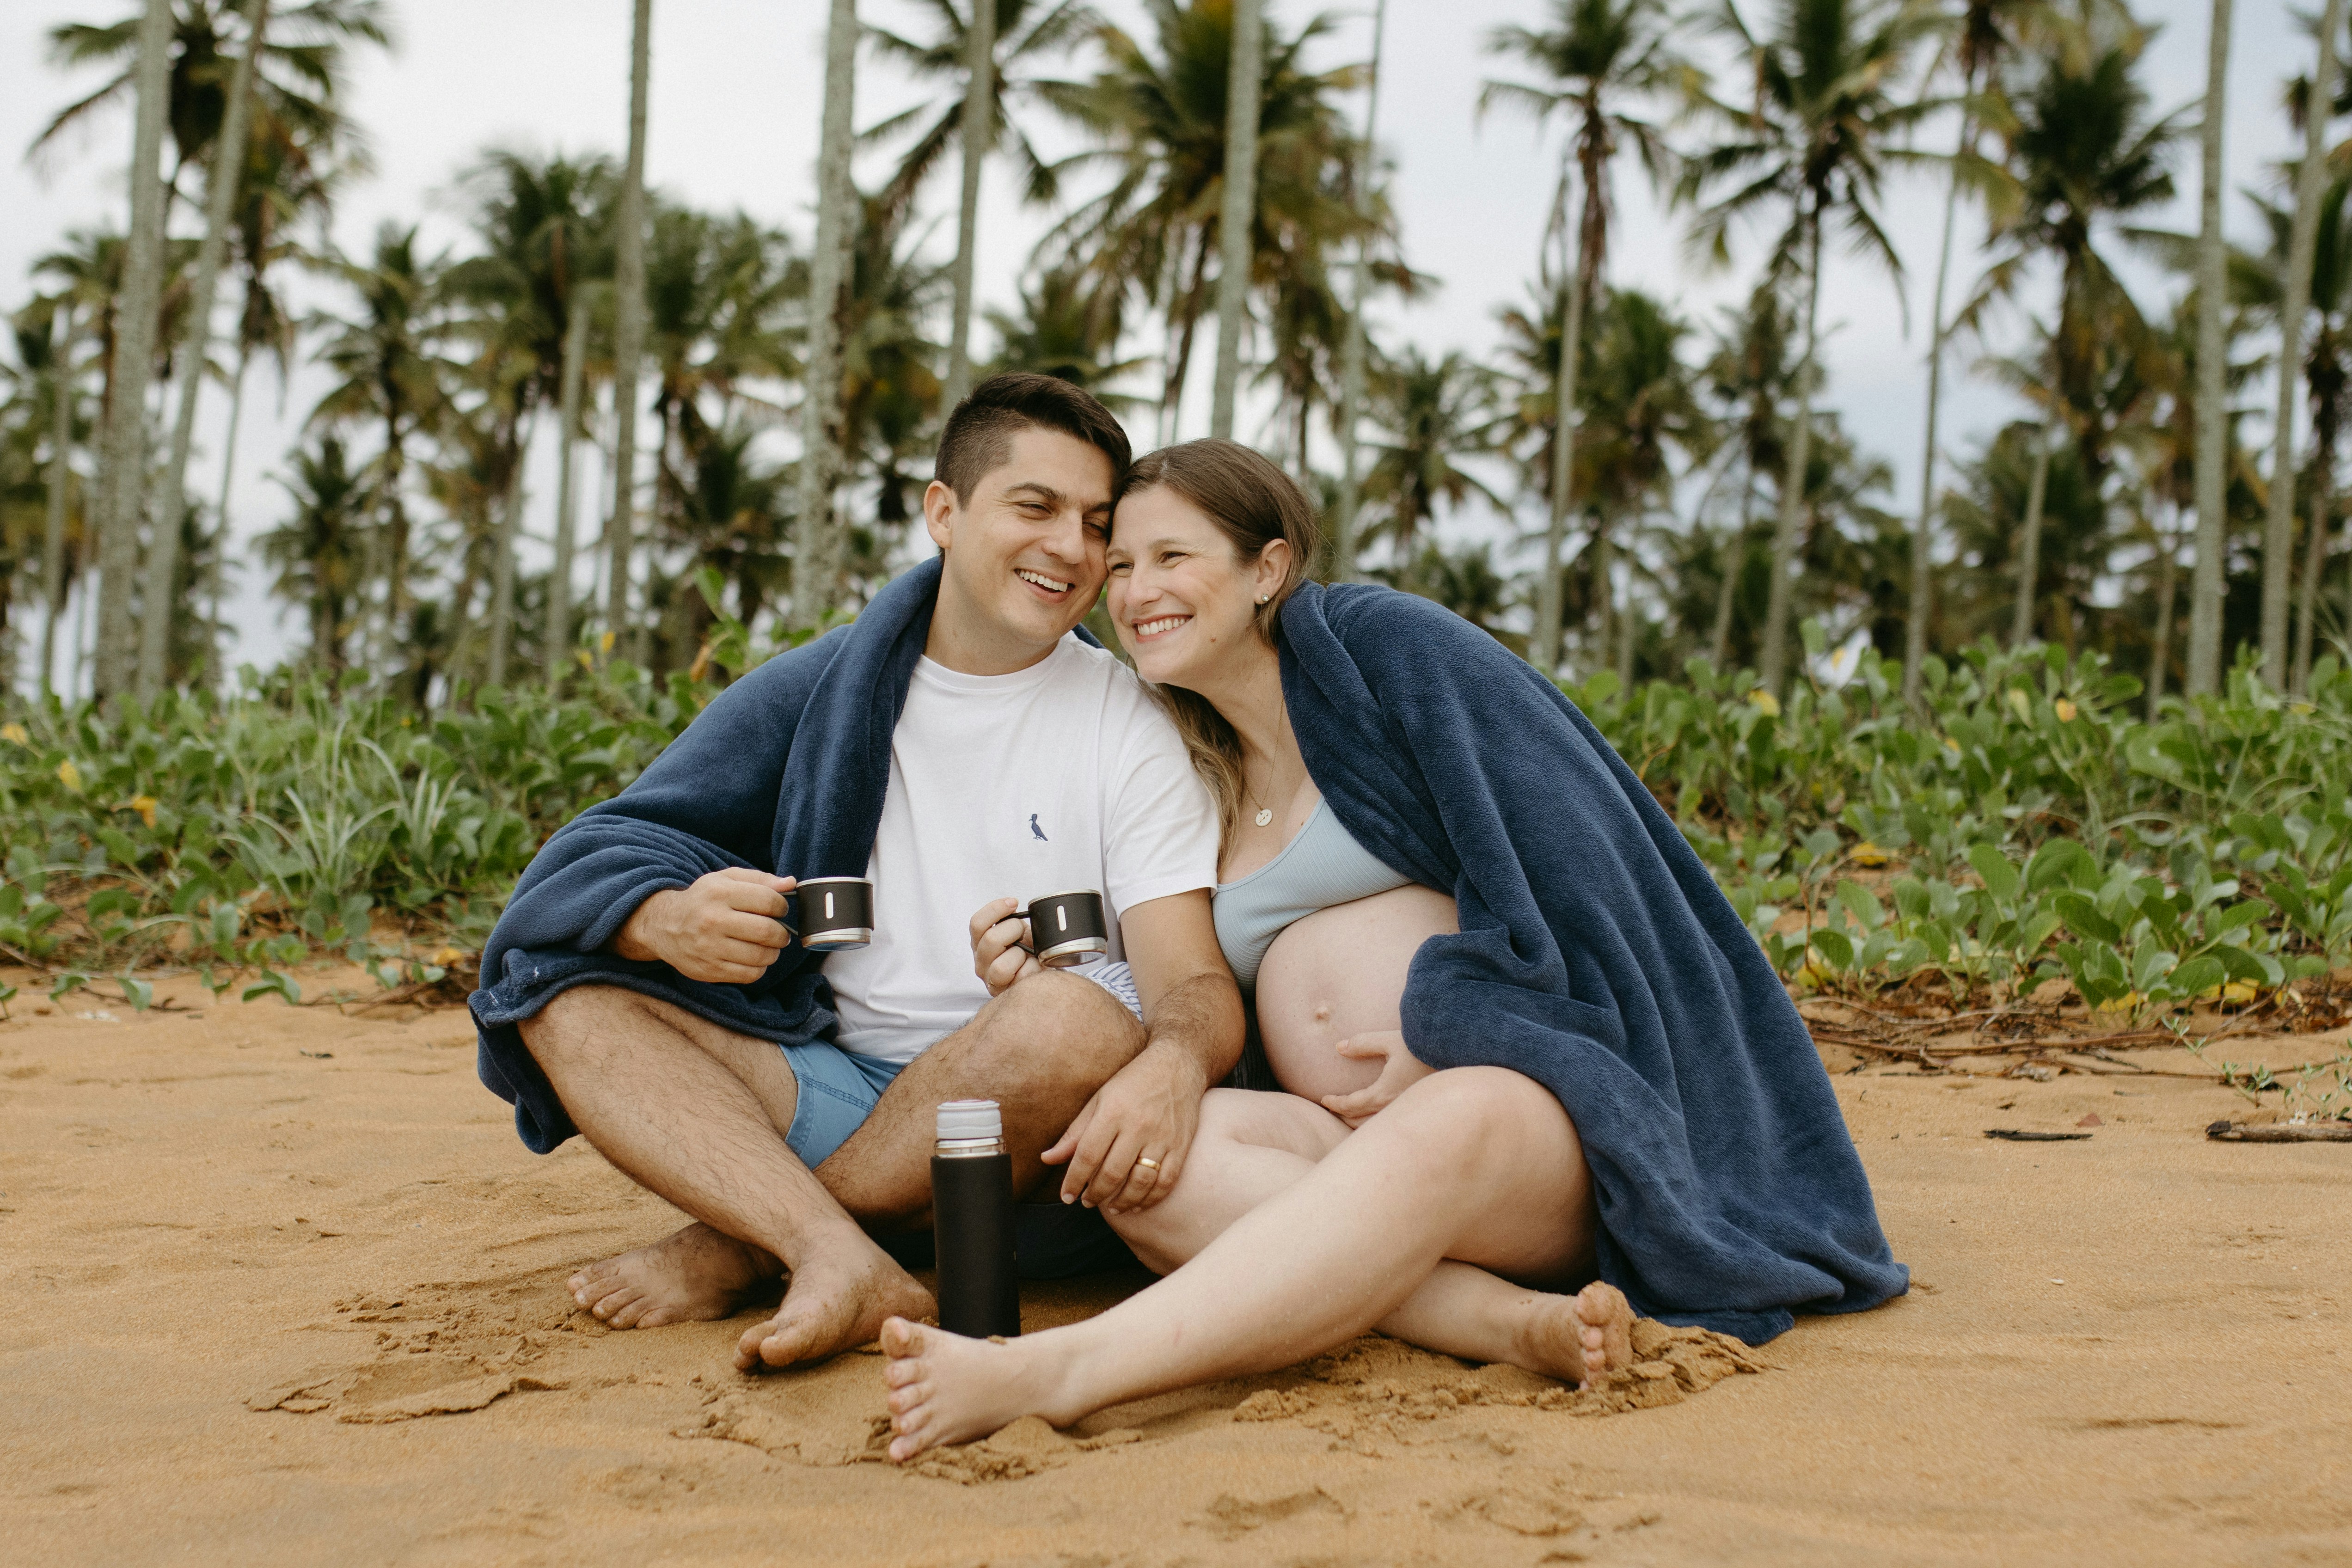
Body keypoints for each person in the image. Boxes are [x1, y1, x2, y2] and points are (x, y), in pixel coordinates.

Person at [880, 440, 1907, 1461]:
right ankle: (1507, 1325)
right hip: (1343, 1142)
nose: (1138, 590)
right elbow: (1193, 989)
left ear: (1267, 570)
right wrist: (1059, 973)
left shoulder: (1382, 653)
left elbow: (1575, 861)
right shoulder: (1193, 762)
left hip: (1519, 1115)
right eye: (1124, 569)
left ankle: (1063, 1373)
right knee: (1153, 1171)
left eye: (1173, 559)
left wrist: (1454, 1027)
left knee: (1451, 1117)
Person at [468, 376, 1243, 1372]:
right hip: (824, 1081)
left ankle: (756, 1237)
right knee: (560, 1001)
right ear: (943, 512)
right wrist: (663, 920)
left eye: (1097, 523)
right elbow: (588, 865)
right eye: (1036, 507)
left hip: (1022, 1143)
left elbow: (1197, 988)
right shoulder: (820, 688)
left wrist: (1175, 1063)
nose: (1073, 550)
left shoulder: (1129, 720)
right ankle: (833, 1247)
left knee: (1076, 1016)